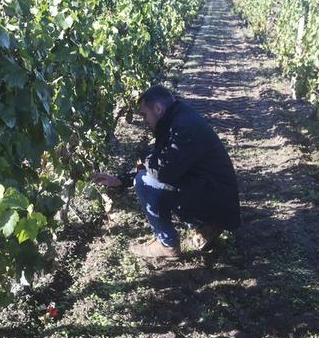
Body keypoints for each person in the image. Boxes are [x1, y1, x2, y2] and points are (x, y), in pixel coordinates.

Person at [91, 85, 240, 259]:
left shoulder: (183, 127)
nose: (144, 120)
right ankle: (207, 227)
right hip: (213, 192)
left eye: (144, 114)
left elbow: (160, 172)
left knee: (144, 182)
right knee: (150, 176)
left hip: (215, 196)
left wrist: (141, 165)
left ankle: (167, 244)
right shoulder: (176, 118)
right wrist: (121, 180)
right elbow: (161, 160)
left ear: (158, 108)